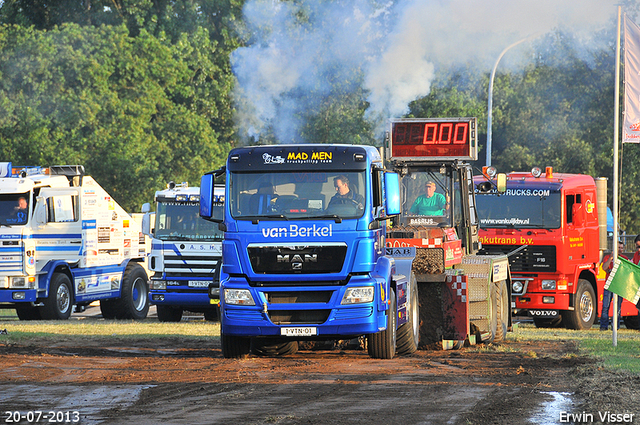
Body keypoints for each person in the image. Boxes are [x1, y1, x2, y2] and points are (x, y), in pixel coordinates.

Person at [599, 240, 628, 331]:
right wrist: (611, 258)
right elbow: (604, 268)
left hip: (619, 286)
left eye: (621, 248)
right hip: (609, 285)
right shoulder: (607, 257)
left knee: (618, 308)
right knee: (605, 306)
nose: (620, 250)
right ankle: (604, 326)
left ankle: (616, 326)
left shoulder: (624, 258)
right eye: (618, 248)